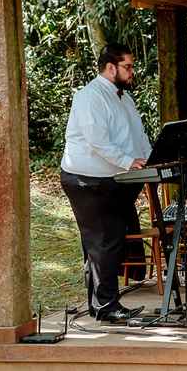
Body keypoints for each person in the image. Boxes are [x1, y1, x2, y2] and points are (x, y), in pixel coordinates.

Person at [60, 43, 151, 322]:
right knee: (103, 241)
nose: (132, 72)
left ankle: (104, 303)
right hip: (85, 179)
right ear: (111, 68)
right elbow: (97, 140)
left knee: (109, 239)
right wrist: (128, 161)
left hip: (110, 177)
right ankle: (105, 307)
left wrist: (152, 159)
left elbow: (138, 135)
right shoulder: (89, 96)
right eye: (128, 67)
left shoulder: (125, 98)